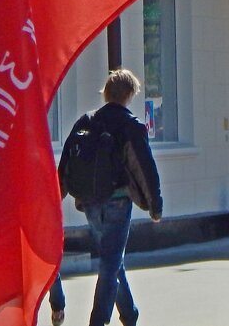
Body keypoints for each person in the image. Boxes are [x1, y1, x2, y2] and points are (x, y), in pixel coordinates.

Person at [58, 69, 162, 326]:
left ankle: (130, 315)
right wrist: (155, 206)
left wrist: (56, 197)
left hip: (89, 202)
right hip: (117, 201)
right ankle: (98, 321)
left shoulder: (85, 121)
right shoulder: (131, 125)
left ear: (106, 93)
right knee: (110, 262)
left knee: (112, 259)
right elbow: (144, 167)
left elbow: (66, 162)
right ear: (129, 95)